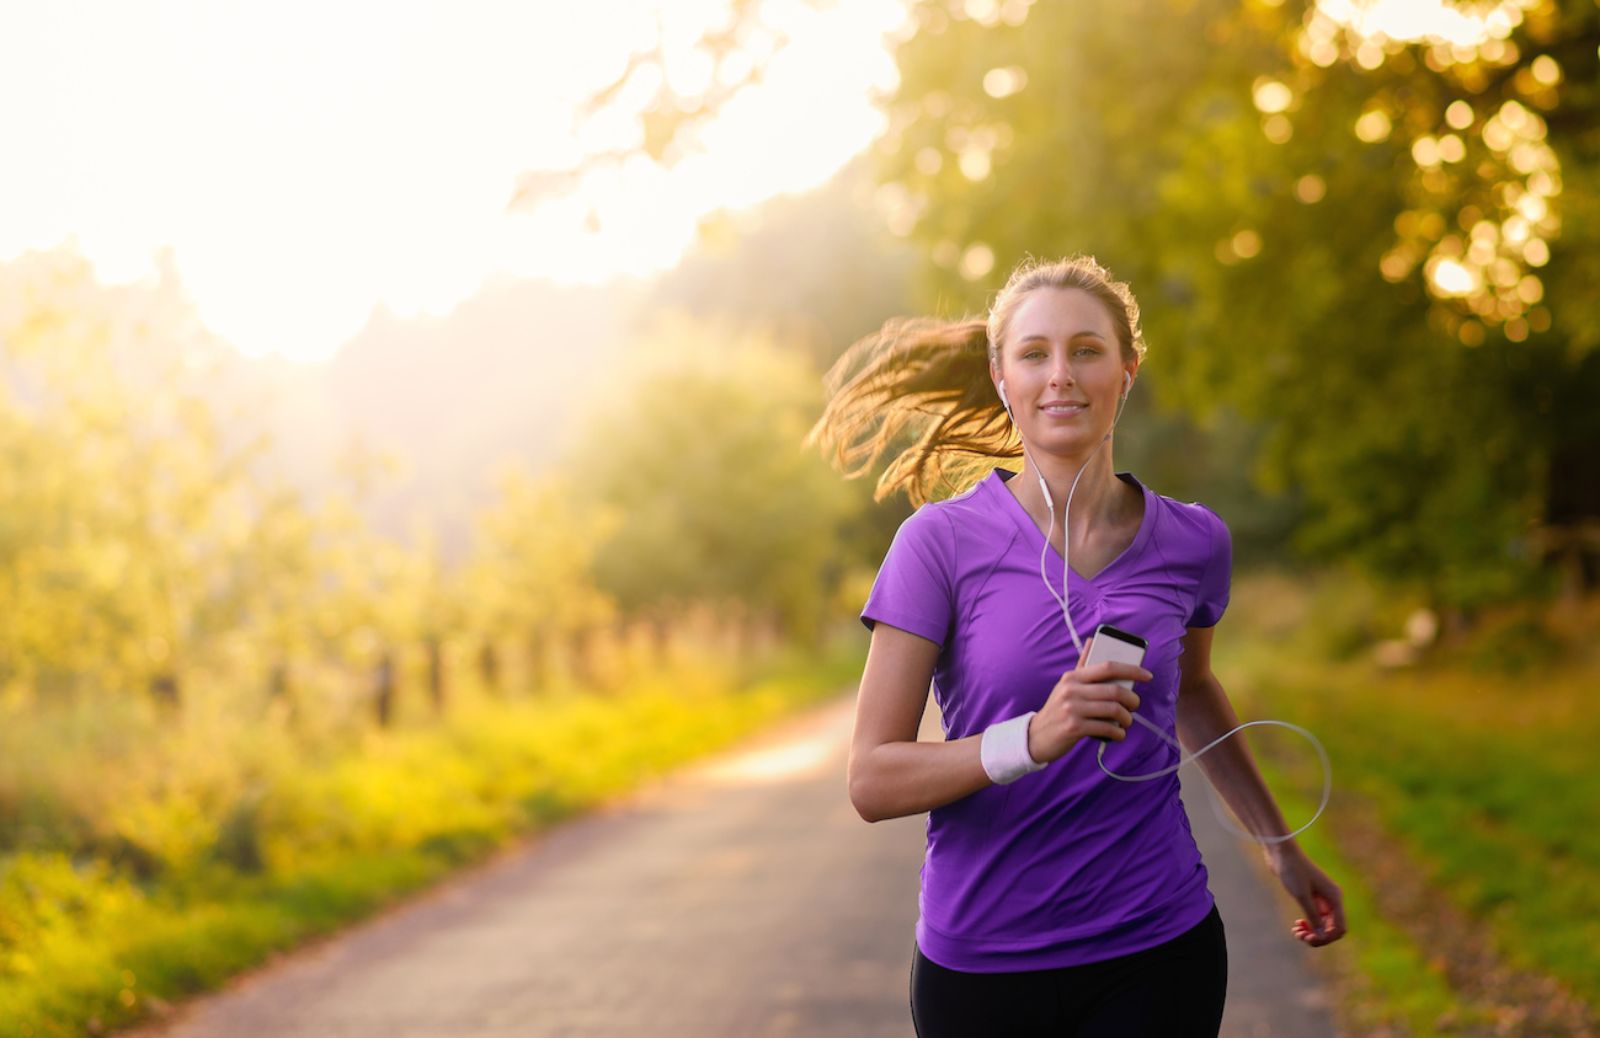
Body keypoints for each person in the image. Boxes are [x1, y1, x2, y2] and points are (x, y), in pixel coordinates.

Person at [805, 255, 1346, 1036]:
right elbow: (872, 779)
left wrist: (1281, 848)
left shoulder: (1193, 542)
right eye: (1035, 354)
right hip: (984, 965)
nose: (1061, 374)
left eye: (1086, 350)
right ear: (1002, 378)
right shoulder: (938, 545)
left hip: (1158, 948)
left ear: (1126, 371)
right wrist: (1033, 737)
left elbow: (1190, 691)